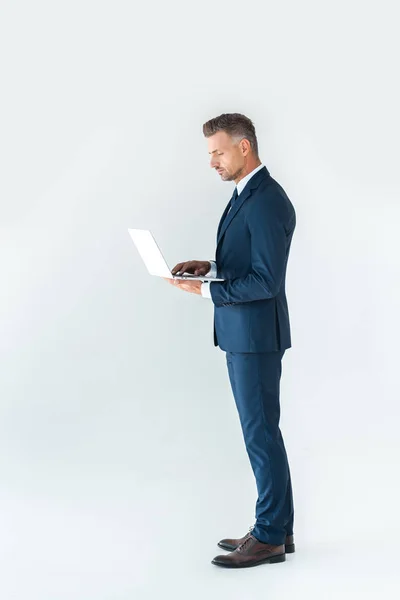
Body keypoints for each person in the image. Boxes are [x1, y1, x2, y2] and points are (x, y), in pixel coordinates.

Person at [164, 112, 296, 569]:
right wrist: (212, 267)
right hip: (245, 335)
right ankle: (279, 526)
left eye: (218, 152)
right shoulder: (247, 194)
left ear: (244, 147)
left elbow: (266, 281)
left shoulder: (266, 200)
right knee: (263, 433)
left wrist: (206, 291)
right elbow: (246, 263)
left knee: (260, 435)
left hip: (255, 337)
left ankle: (269, 536)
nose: (213, 162)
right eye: (209, 154)